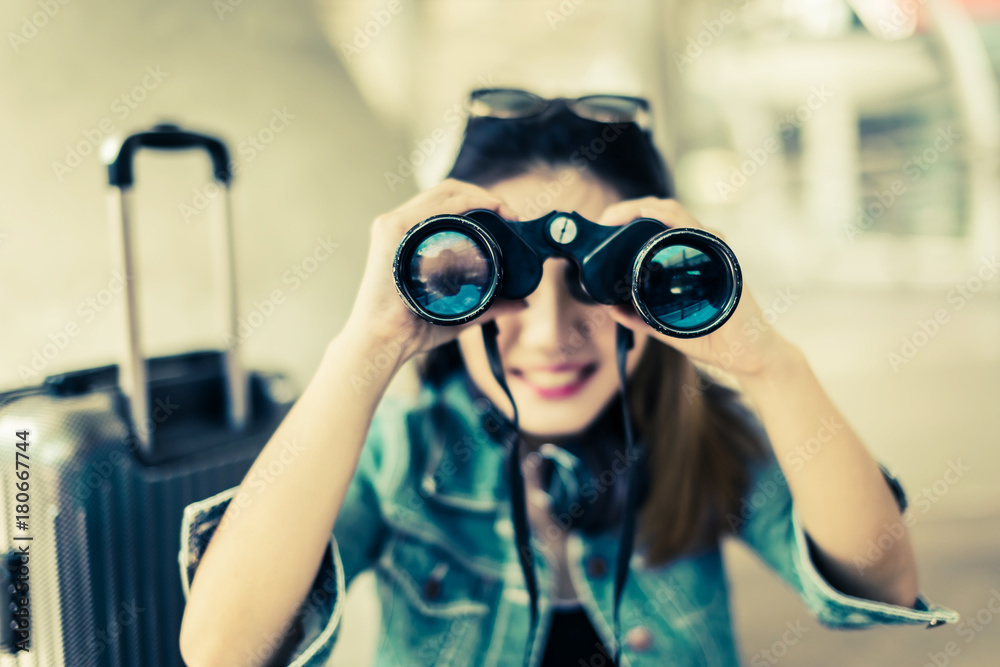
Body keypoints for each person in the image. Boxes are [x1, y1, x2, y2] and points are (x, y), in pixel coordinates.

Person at [177, 89, 958, 667]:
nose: (551, 334)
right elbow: (223, 650)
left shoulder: (695, 435)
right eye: (497, 283)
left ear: (658, 291)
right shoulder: (404, 454)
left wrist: (768, 362)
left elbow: (882, 583)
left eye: (599, 284)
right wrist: (365, 348)